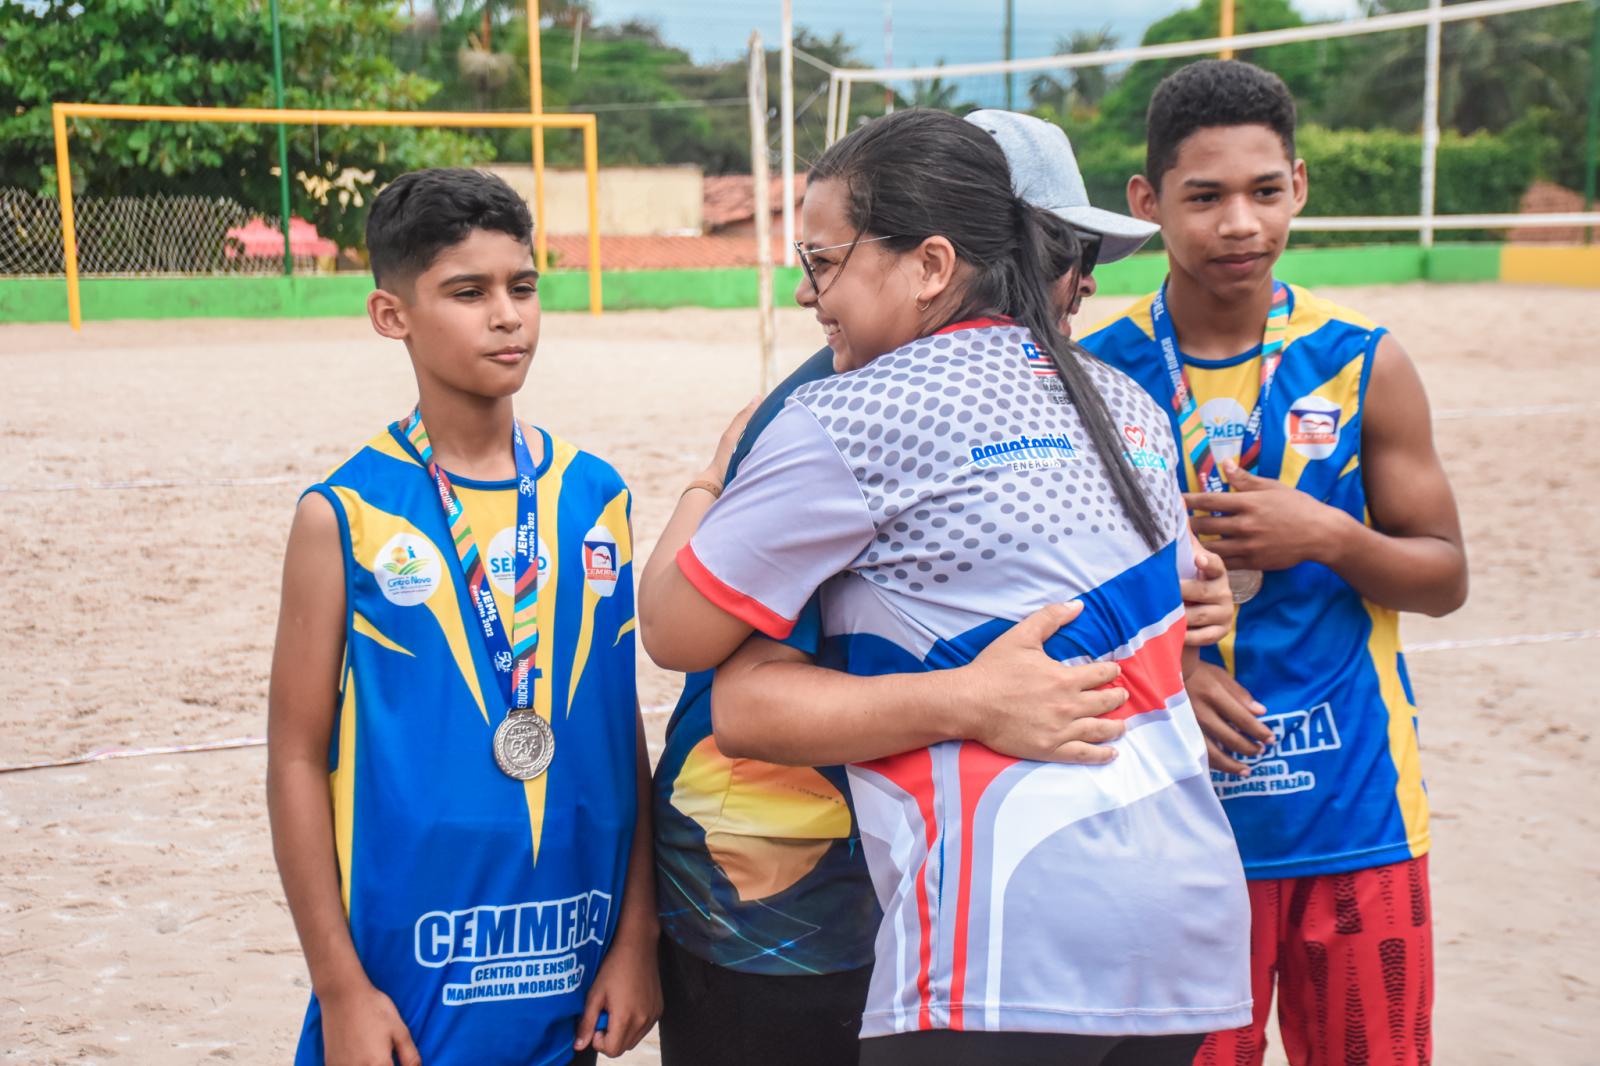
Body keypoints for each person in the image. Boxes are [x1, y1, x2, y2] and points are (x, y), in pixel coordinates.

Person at [639, 108, 1251, 1066]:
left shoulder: (845, 413)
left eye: (825, 261)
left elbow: (692, 649)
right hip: (1180, 926)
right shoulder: (1125, 400)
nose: (1082, 281)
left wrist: (711, 477)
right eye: (1065, 249)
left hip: (992, 926)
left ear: (932, 262)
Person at [1077, 60, 1468, 1066]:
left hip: (1358, 814)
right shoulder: (1097, 378)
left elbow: (1442, 575)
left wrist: (1328, 535)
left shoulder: (1362, 360)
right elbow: (1063, 600)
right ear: (1146, 200)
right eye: (1203, 197)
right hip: (1175, 826)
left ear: (1297, 184)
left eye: (1262, 191)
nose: (1238, 224)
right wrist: (1178, 670)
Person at [266, 168, 660, 1066]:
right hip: (408, 989)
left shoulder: (596, 498)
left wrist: (638, 941)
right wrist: (340, 989)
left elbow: (619, 728)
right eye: (468, 292)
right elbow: (294, 756)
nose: (507, 315)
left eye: (522, 287)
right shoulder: (346, 515)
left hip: (567, 968)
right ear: (391, 315)